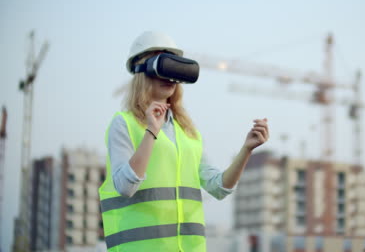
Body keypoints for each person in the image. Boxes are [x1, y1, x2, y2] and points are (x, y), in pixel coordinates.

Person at [98, 31, 270, 252]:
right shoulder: (124, 124)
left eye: (175, 68)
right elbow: (125, 186)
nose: (171, 77)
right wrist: (152, 131)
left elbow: (219, 187)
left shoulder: (187, 132)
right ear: (143, 71)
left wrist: (247, 149)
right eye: (164, 67)